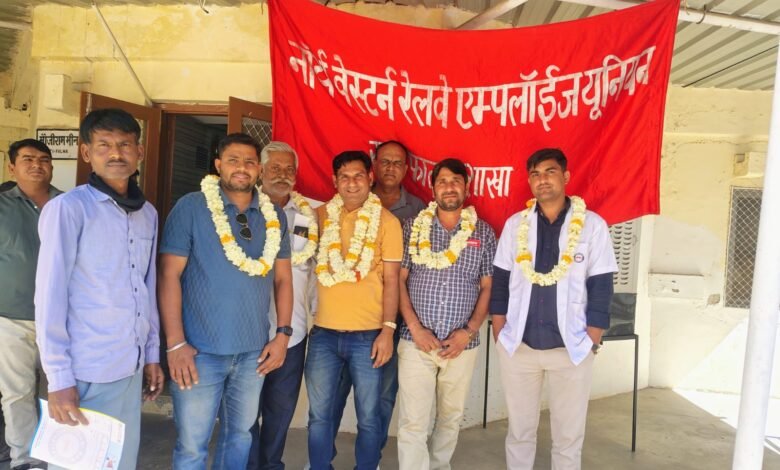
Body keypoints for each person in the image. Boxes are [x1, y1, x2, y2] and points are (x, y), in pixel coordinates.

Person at [35, 109, 164, 470]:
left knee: (120, 462)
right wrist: (58, 379)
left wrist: (152, 354)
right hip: (85, 370)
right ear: (86, 152)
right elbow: (49, 297)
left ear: (139, 152)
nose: (116, 154)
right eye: (104, 145)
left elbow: (147, 288)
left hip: (130, 366)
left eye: (125, 144)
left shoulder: (148, 214)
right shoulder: (68, 210)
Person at [158, 133, 293, 470]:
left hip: (253, 353)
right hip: (198, 352)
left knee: (240, 437)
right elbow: (168, 275)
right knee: (193, 445)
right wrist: (175, 344)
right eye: (233, 160)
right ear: (218, 165)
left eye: (249, 162)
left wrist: (282, 335)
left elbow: (283, 279)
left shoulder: (274, 215)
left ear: (259, 169)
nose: (242, 168)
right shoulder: (191, 207)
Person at [489, 148, 617, 470]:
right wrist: (499, 331)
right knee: (519, 432)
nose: (542, 180)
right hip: (519, 345)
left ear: (566, 176)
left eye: (550, 172)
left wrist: (592, 339)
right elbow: (501, 280)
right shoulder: (515, 225)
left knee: (568, 436)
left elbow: (601, 286)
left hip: (571, 347)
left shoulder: (592, 225)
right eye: (535, 174)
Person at [396, 158, 496, 469]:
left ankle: (439, 466)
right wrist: (415, 327)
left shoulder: (483, 232)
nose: (449, 187)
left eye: (456, 181)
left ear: (466, 188)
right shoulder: (413, 227)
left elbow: (488, 287)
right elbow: (398, 280)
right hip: (415, 341)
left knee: (450, 417)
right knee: (413, 421)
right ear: (433, 188)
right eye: (442, 181)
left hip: (462, 345)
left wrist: (468, 331)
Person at [305, 150, 402, 470]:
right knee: (319, 415)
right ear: (334, 181)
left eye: (358, 176)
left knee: (370, 416)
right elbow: (296, 259)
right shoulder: (317, 217)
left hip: (369, 336)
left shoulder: (387, 222)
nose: (351, 183)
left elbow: (392, 280)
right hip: (324, 334)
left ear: (370, 178)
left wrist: (387, 330)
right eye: (344, 177)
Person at [330, 140, 426, 459]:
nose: (390, 168)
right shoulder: (349, 202)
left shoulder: (418, 210)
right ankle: (323, 457)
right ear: (373, 168)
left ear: (407, 169)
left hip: (396, 320)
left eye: (397, 163)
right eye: (384, 161)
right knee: (335, 392)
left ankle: (372, 459)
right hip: (349, 319)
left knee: (383, 394)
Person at [247, 141, 318, 470]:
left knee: (280, 410)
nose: (282, 175)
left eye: (289, 169)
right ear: (261, 170)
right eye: (275, 168)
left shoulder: (307, 215)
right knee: (246, 411)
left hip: (293, 332)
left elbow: (312, 270)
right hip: (249, 331)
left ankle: (271, 464)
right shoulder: (244, 211)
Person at [0, 139, 61, 470]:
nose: (37, 164)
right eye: (28, 159)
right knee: (17, 394)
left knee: (60, 391)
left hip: (62, 320)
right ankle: (26, 460)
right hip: (11, 318)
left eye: (44, 159)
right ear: (12, 167)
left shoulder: (67, 204)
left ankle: (60, 457)